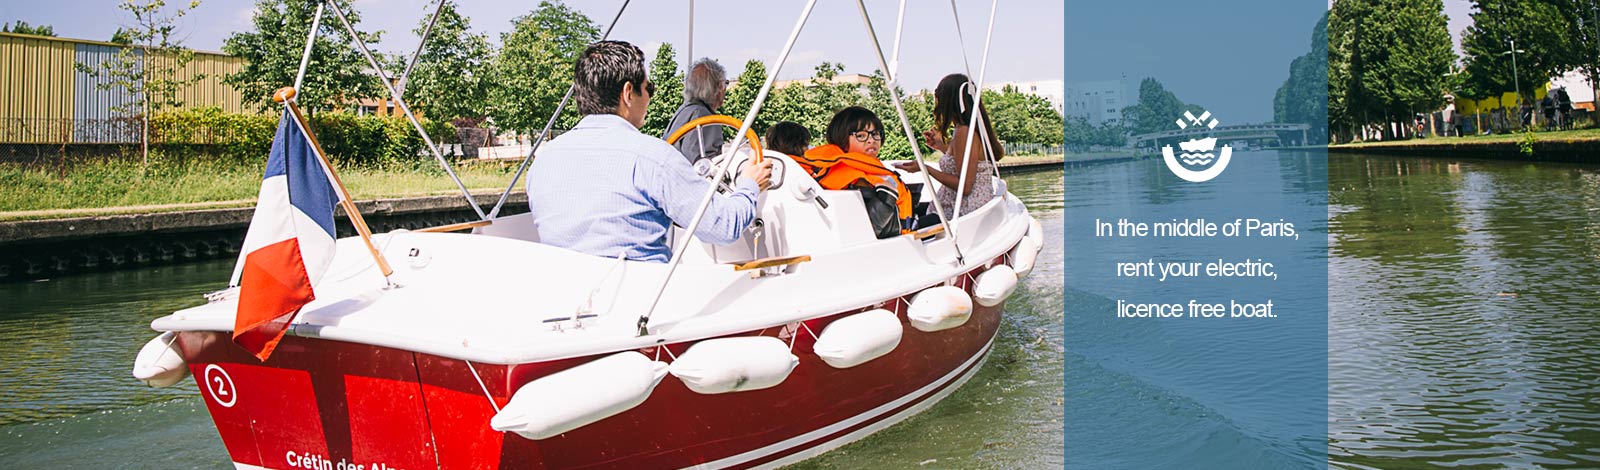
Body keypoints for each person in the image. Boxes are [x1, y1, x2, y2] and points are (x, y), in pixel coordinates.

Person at [526, 41, 772, 263]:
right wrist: (750, 185)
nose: (650, 97)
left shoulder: (544, 160)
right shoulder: (652, 157)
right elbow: (724, 227)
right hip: (640, 302)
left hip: (567, 298)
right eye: (648, 88)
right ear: (627, 94)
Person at [894, 73, 1003, 221]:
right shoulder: (969, 128)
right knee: (907, 209)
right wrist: (942, 147)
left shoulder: (964, 131)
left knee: (901, 217)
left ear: (948, 101)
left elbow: (965, 187)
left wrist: (925, 169)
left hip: (964, 212)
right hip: (964, 205)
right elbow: (966, 162)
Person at [795, 106, 913, 238]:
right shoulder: (850, 179)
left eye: (875, 134)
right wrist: (886, 197)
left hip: (900, 239)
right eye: (861, 135)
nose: (871, 140)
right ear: (843, 141)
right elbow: (864, 233)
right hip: (885, 248)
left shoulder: (871, 170)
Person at [662, 58, 728, 165]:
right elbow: (703, 167)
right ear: (720, 86)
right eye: (726, 83)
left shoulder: (684, 111)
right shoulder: (705, 118)